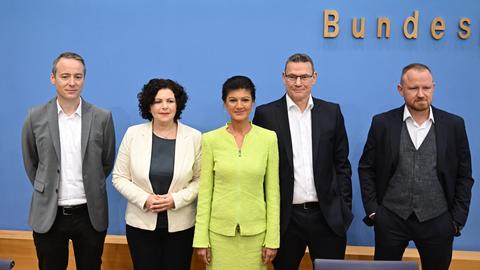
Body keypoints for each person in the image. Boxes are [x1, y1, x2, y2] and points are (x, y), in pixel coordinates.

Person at [358, 63, 474, 270]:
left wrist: (456, 220)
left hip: (438, 220)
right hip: (391, 219)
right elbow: (367, 168)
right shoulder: (382, 123)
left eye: (426, 88)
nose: (421, 94)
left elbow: (464, 176)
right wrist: (374, 212)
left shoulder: (454, 125)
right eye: (413, 88)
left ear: (433, 88)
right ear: (400, 90)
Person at [253, 53, 353, 269]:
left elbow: (342, 164)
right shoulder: (266, 115)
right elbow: (260, 169)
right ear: (283, 77)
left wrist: (343, 207)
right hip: (287, 219)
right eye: (292, 76)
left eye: (304, 76)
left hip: (327, 216)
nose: (298, 83)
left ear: (314, 77)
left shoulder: (331, 112)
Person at [21, 52, 116, 270]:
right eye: (65, 76)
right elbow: (31, 162)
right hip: (49, 215)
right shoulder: (35, 117)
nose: (72, 82)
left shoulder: (102, 117)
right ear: (53, 78)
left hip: (89, 214)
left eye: (78, 76)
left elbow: (107, 162)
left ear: (84, 78)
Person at [112, 79, 201, 270]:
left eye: (170, 101)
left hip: (181, 227)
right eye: (158, 101)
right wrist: (145, 199)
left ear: (178, 104)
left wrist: (175, 200)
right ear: (149, 106)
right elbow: (119, 177)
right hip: (140, 225)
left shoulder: (194, 137)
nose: (164, 106)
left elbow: (200, 180)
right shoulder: (133, 135)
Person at [193, 75, 280, 270]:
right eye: (233, 100)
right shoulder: (210, 140)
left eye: (245, 100)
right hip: (218, 236)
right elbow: (205, 192)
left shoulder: (268, 139)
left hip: (256, 236)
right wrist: (201, 238)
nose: (239, 105)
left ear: (253, 103)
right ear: (225, 103)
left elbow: (273, 193)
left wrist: (272, 238)